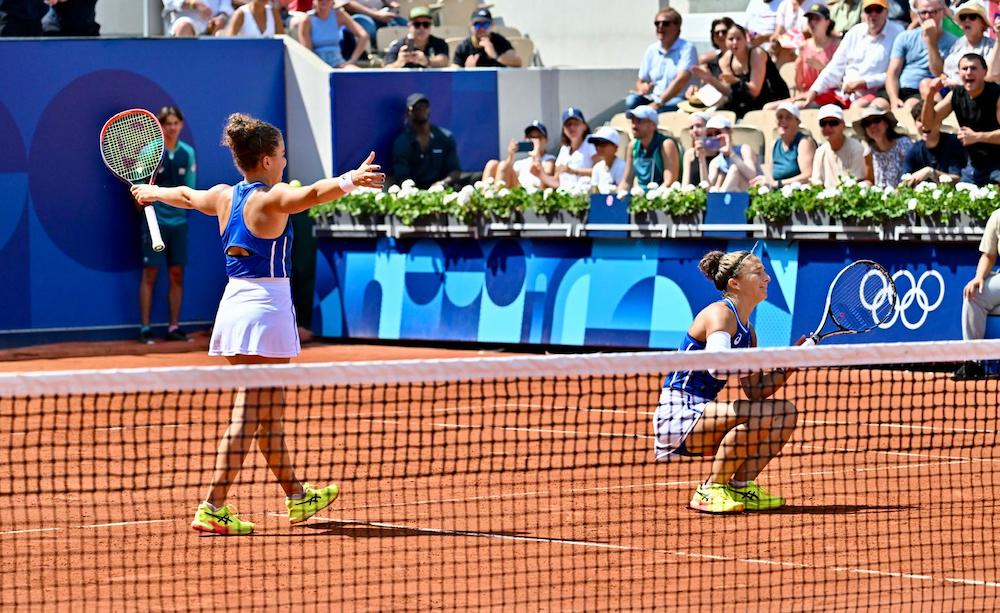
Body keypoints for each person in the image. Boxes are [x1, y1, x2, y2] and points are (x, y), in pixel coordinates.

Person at [130, 113, 385, 535]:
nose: (285, 161)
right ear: (266, 161)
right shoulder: (273, 197)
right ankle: (212, 506)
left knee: (268, 413)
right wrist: (350, 180)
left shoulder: (221, 196)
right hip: (265, 312)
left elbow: (186, 196)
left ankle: (297, 496)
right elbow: (316, 194)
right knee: (251, 413)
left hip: (233, 309)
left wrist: (152, 192)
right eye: (282, 155)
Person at [654, 247, 799, 514]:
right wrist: (757, 363)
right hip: (679, 414)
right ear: (735, 283)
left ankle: (741, 485)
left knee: (785, 412)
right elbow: (718, 369)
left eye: (765, 272)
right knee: (764, 414)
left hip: (705, 416)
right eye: (758, 272)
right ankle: (710, 490)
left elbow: (756, 392)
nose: (767, 278)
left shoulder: (749, 332)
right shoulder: (719, 314)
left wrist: (791, 365)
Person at [138, 106, 198, 345]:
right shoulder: (151, 152)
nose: (172, 127)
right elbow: (140, 187)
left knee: (177, 273)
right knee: (150, 273)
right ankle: (145, 328)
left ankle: (174, 326)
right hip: (154, 221)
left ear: (181, 125)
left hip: (178, 223)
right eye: (167, 123)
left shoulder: (188, 153)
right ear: (161, 126)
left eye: (176, 123)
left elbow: (190, 191)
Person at [794, 0, 903, 109]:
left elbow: (895, 73)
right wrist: (815, 90)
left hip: (876, 93)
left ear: (887, 12)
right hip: (844, 94)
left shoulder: (898, 33)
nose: (873, 14)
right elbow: (835, 66)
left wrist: (864, 83)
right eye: (868, 10)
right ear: (863, 13)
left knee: (856, 107)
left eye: (878, 10)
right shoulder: (854, 32)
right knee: (800, 106)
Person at [924, 54, 1000, 186]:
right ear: (958, 73)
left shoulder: (996, 94)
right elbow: (928, 124)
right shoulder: (955, 95)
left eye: (973, 68)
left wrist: (977, 136)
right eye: (965, 69)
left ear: (985, 72)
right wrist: (930, 94)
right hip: (974, 167)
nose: (969, 72)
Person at [690, 23, 789, 119]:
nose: (734, 42)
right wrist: (710, 80)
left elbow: (755, 91)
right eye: (731, 39)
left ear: (746, 40)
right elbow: (729, 93)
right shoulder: (726, 59)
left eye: (738, 38)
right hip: (745, 102)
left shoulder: (757, 53)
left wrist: (735, 81)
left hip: (770, 100)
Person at [878, 0, 956, 111]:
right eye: (923, 13)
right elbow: (892, 73)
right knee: (877, 106)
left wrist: (931, 41)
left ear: (942, 12)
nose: (928, 16)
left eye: (933, 12)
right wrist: (894, 98)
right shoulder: (905, 37)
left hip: (925, 92)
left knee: (911, 106)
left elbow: (940, 73)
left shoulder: (953, 43)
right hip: (901, 89)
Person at [955, 205, 1000, 380]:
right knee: (973, 294)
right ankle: (973, 361)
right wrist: (979, 277)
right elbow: (989, 255)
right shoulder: (997, 216)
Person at [626, 7, 698, 112]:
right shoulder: (651, 50)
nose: (660, 27)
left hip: (676, 98)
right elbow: (641, 80)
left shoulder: (687, 48)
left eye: (665, 23)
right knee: (631, 101)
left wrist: (659, 103)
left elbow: (681, 80)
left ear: (677, 26)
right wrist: (642, 87)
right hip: (653, 98)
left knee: (667, 107)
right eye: (657, 23)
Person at [391, 93, 461, 189]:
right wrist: (412, 191)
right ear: (408, 113)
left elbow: (455, 171)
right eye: (416, 107)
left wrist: (442, 184)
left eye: (425, 106)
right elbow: (402, 176)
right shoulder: (402, 142)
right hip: (414, 194)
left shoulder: (445, 137)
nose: (421, 110)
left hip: (442, 191)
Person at [901, 100, 967, 186]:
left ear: (940, 122)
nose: (925, 125)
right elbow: (905, 182)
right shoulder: (914, 149)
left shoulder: (954, 143)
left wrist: (931, 173)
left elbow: (957, 180)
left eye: (929, 120)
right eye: (920, 120)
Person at [617, 105, 680, 193]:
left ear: (653, 125)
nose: (634, 125)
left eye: (639, 121)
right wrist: (618, 197)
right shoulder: (632, 146)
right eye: (632, 121)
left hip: (662, 200)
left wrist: (652, 199)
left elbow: (669, 182)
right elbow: (626, 181)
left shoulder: (666, 145)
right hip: (640, 199)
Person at [931, 2, 995, 89]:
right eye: (963, 17)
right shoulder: (957, 44)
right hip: (950, 91)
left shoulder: (992, 47)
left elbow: (989, 79)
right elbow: (944, 72)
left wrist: (959, 84)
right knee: (926, 85)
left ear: (983, 23)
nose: (966, 20)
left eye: (972, 17)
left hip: (977, 95)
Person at [751, 102, 815, 187]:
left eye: (788, 117)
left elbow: (808, 175)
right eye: (780, 117)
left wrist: (778, 183)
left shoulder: (804, 142)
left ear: (797, 121)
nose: (783, 120)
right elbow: (770, 176)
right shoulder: (773, 144)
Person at [481, 120, 555, 189]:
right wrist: (511, 156)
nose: (533, 140)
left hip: (533, 195)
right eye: (530, 137)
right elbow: (505, 173)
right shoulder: (521, 162)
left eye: (537, 137)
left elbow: (546, 185)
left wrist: (537, 157)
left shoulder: (549, 159)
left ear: (546, 140)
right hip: (518, 191)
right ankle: (484, 198)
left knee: (504, 164)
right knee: (492, 164)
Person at [535, 107, 596, 190]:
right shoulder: (564, 150)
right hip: (566, 196)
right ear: (564, 130)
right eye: (568, 124)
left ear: (584, 126)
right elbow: (556, 182)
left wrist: (573, 171)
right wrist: (540, 175)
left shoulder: (590, 142)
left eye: (576, 123)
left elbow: (600, 171)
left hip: (584, 196)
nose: (572, 127)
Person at [853, 105, 912, 187]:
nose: (872, 126)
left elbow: (914, 174)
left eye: (876, 120)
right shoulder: (869, 152)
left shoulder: (903, 143)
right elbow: (870, 180)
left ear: (886, 123)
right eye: (867, 123)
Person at [297, 0, 368, 68]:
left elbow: (363, 35)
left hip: (339, 64)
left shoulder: (339, 15)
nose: (324, 1)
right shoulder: (306, 20)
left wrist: (352, 60)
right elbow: (309, 54)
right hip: (317, 67)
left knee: (355, 74)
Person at [811, 104, 868, 187]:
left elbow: (858, 181)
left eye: (833, 123)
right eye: (823, 123)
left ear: (843, 125)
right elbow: (817, 182)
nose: (827, 127)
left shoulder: (856, 149)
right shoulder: (820, 152)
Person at [452, 8, 522, 68]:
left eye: (486, 25)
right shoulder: (463, 47)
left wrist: (495, 55)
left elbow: (518, 61)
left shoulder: (499, 40)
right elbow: (452, 74)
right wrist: (466, 71)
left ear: (492, 26)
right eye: (477, 25)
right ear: (470, 26)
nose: (482, 29)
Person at [706, 115, 760, 192]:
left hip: (752, 192)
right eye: (710, 135)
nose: (714, 137)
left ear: (729, 132)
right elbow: (708, 185)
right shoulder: (715, 162)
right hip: (733, 196)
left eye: (718, 132)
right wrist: (701, 158)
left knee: (734, 169)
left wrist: (731, 153)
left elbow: (752, 175)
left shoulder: (744, 149)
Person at [385, 6, 449, 69]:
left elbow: (444, 61)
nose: (422, 28)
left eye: (426, 24)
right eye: (417, 24)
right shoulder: (399, 45)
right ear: (409, 26)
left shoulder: (439, 43)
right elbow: (386, 69)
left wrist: (427, 61)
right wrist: (399, 63)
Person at [681, 111, 718, 186]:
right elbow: (685, 184)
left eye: (699, 126)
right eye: (691, 127)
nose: (694, 130)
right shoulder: (689, 154)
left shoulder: (720, 152)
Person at [587, 126, 626, 193]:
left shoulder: (623, 167)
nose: (598, 147)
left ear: (615, 147)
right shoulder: (597, 168)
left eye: (603, 144)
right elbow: (595, 193)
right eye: (596, 144)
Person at [163, 0, 233, 36]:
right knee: (184, 26)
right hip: (187, 22)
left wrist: (221, 17)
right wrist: (194, 4)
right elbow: (169, 2)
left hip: (215, 25)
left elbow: (226, 5)